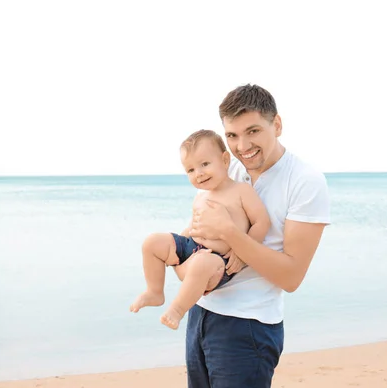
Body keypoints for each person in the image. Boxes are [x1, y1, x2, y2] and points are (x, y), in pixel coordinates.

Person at [185, 84, 331, 388]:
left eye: (253, 131)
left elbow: (291, 277)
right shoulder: (227, 171)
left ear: (276, 125)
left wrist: (229, 234)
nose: (242, 146)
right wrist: (184, 269)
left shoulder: (305, 181)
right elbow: (193, 238)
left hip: (248, 326)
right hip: (201, 315)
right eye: (232, 136)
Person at [129, 129, 271, 330]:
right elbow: (193, 226)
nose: (199, 173)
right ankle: (154, 291)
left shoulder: (241, 191)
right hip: (192, 246)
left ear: (224, 160)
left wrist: (243, 253)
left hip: (218, 259)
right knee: (152, 242)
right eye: (191, 170)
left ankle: (177, 310)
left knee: (201, 263)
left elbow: (262, 223)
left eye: (205, 164)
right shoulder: (201, 195)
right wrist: (175, 246)